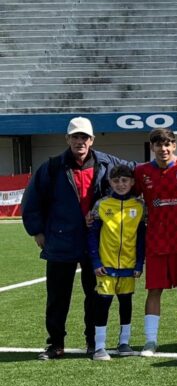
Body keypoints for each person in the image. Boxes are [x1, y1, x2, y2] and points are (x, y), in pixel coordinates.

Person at [24, 117, 134, 360]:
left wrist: (175, 160)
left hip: (96, 242)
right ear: (67, 139)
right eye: (75, 136)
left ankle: (93, 341)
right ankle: (56, 344)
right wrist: (37, 231)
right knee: (57, 296)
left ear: (92, 140)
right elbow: (32, 200)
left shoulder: (108, 163)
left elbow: (139, 171)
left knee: (95, 294)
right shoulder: (52, 167)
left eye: (84, 137)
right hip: (60, 240)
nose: (80, 141)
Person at [133, 129, 177, 356]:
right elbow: (128, 195)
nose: (163, 149)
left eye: (168, 144)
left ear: (174, 146)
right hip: (155, 241)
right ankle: (150, 341)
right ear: (152, 147)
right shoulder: (141, 172)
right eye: (159, 145)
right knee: (154, 291)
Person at [87, 165, 145, 360]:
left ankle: (124, 342)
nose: (121, 184)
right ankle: (99, 346)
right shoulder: (102, 204)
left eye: (125, 180)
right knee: (103, 303)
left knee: (126, 303)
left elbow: (141, 238)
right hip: (106, 265)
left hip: (129, 266)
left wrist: (139, 263)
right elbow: (92, 235)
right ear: (110, 183)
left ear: (132, 182)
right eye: (116, 181)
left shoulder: (139, 206)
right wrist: (96, 262)